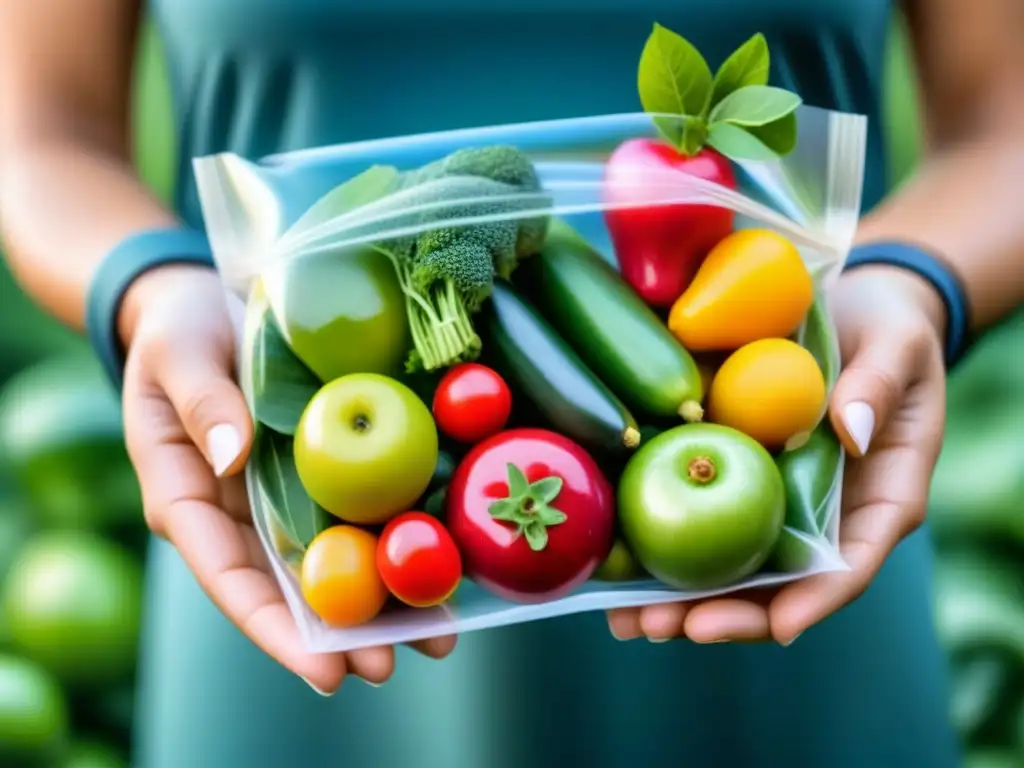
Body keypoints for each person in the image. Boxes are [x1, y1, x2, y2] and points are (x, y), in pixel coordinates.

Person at [1, 0, 1022, 765]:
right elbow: (41, 141)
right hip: (296, 541)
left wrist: (909, 283)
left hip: (795, 510)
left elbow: (1004, 127)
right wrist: (153, 288)